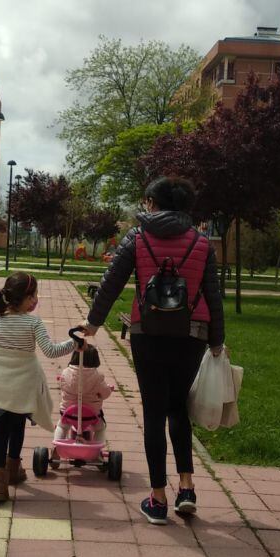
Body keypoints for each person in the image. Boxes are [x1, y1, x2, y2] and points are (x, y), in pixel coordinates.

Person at [81, 176, 225, 525]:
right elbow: (212, 295)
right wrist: (217, 340)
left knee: (154, 413)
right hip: (192, 331)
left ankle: (158, 499)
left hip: (148, 330)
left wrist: (93, 324)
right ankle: (187, 488)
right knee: (178, 408)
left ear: (152, 203)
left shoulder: (138, 237)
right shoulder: (202, 244)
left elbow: (112, 281)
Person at [0, 272, 77, 503]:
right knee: (17, 428)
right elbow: (51, 351)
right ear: (23, 298)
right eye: (33, 295)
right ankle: (13, 470)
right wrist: (75, 342)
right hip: (22, 387)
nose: (36, 299)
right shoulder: (33, 322)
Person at [53, 344, 113, 458]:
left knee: (61, 426)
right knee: (100, 428)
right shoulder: (98, 376)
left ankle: (57, 446)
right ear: (95, 359)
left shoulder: (65, 373)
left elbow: (63, 386)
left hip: (69, 414)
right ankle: (97, 451)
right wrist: (108, 389)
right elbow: (105, 394)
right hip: (90, 416)